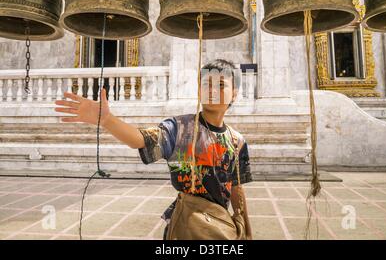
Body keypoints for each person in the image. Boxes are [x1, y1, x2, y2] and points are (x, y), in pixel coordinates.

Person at [54, 59, 253, 240]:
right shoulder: (179, 128)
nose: (212, 90)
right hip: (185, 226)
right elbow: (140, 139)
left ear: (234, 92)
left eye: (220, 85)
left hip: (220, 229)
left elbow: (236, 188)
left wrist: (246, 234)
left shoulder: (237, 141)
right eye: (206, 84)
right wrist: (107, 120)